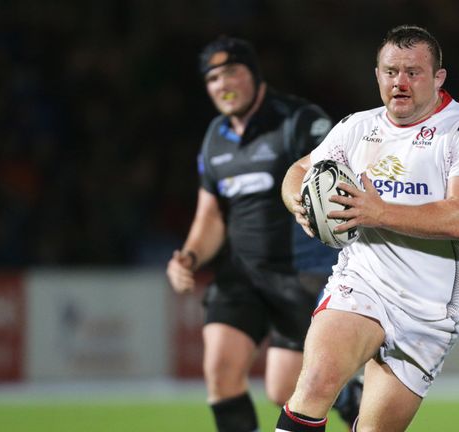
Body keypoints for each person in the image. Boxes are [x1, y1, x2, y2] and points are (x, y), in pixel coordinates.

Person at [275, 25, 459, 431]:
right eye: (390, 71)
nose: (400, 81)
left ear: (438, 78)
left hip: (429, 310)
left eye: (413, 72)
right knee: (314, 384)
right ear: (377, 75)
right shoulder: (357, 127)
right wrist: (301, 203)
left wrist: (376, 212)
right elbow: (299, 170)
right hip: (362, 283)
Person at [166, 36, 362, 432]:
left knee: (283, 388)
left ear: (254, 75)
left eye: (232, 71)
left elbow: (342, 178)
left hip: (300, 276)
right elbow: (211, 216)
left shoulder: (300, 121)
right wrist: (188, 256)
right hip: (242, 275)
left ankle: (355, 400)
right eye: (213, 78)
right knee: (219, 371)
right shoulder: (214, 138)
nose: (223, 84)